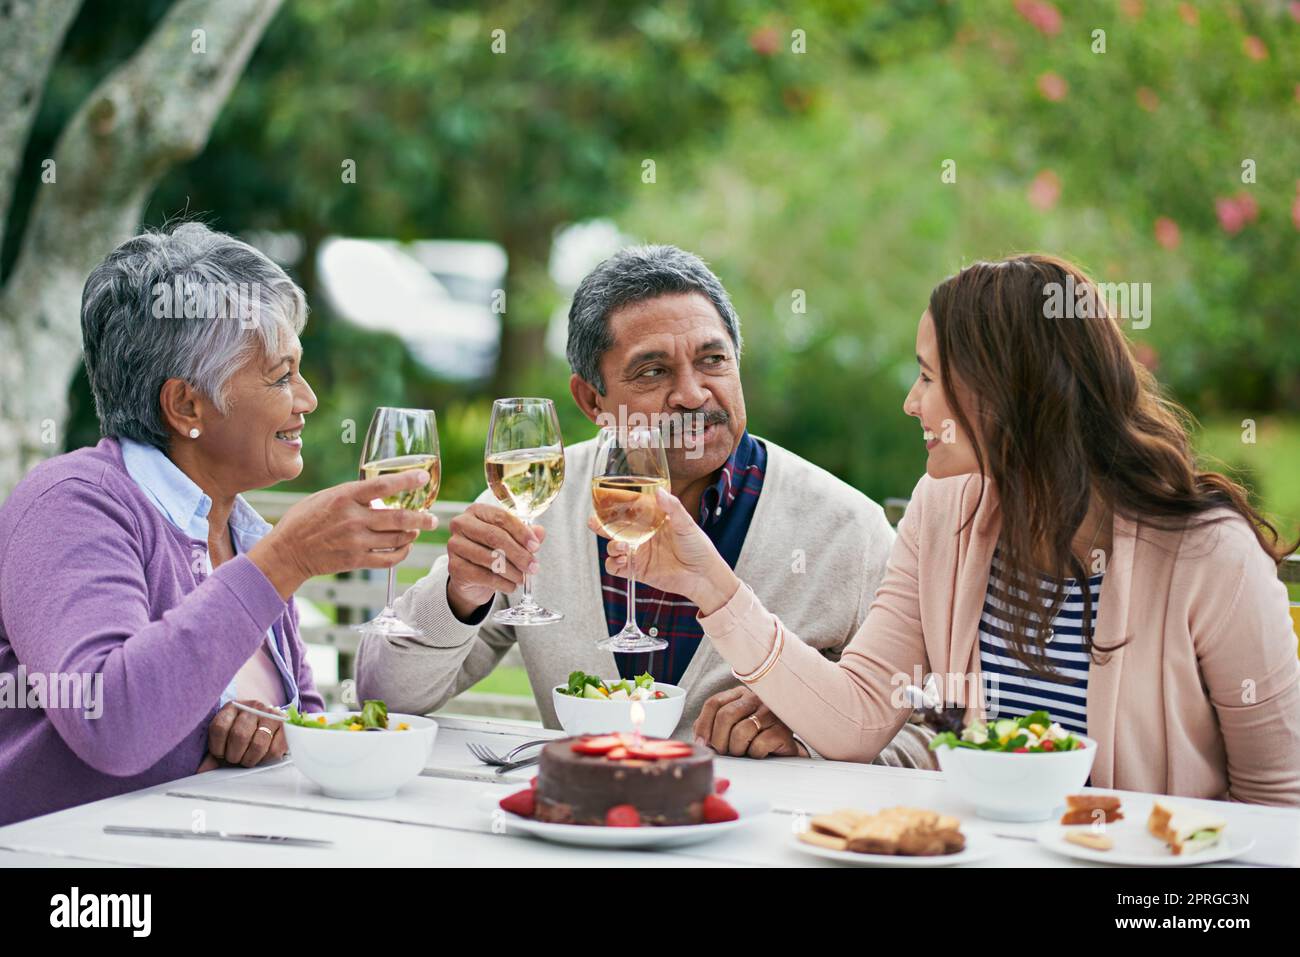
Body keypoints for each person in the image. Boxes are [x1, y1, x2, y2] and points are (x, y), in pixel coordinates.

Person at [589, 254, 1300, 805]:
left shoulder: (1211, 555)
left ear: (1002, 393)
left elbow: (1280, 800)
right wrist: (706, 581)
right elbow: (860, 715)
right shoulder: (944, 509)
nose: (910, 402)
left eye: (928, 377)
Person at [358, 245, 934, 765]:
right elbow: (384, 694)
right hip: (576, 834)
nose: (691, 394)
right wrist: (457, 595)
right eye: (653, 371)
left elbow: (930, 734)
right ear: (591, 398)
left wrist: (810, 735)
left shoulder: (846, 529)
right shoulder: (536, 497)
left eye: (714, 360)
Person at [0, 223, 436, 826]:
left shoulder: (239, 527)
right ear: (186, 406)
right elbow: (110, 720)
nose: (307, 399)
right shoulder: (72, 504)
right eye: (281, 376)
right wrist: (285, 562)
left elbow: (300, 718)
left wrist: (273, 734)